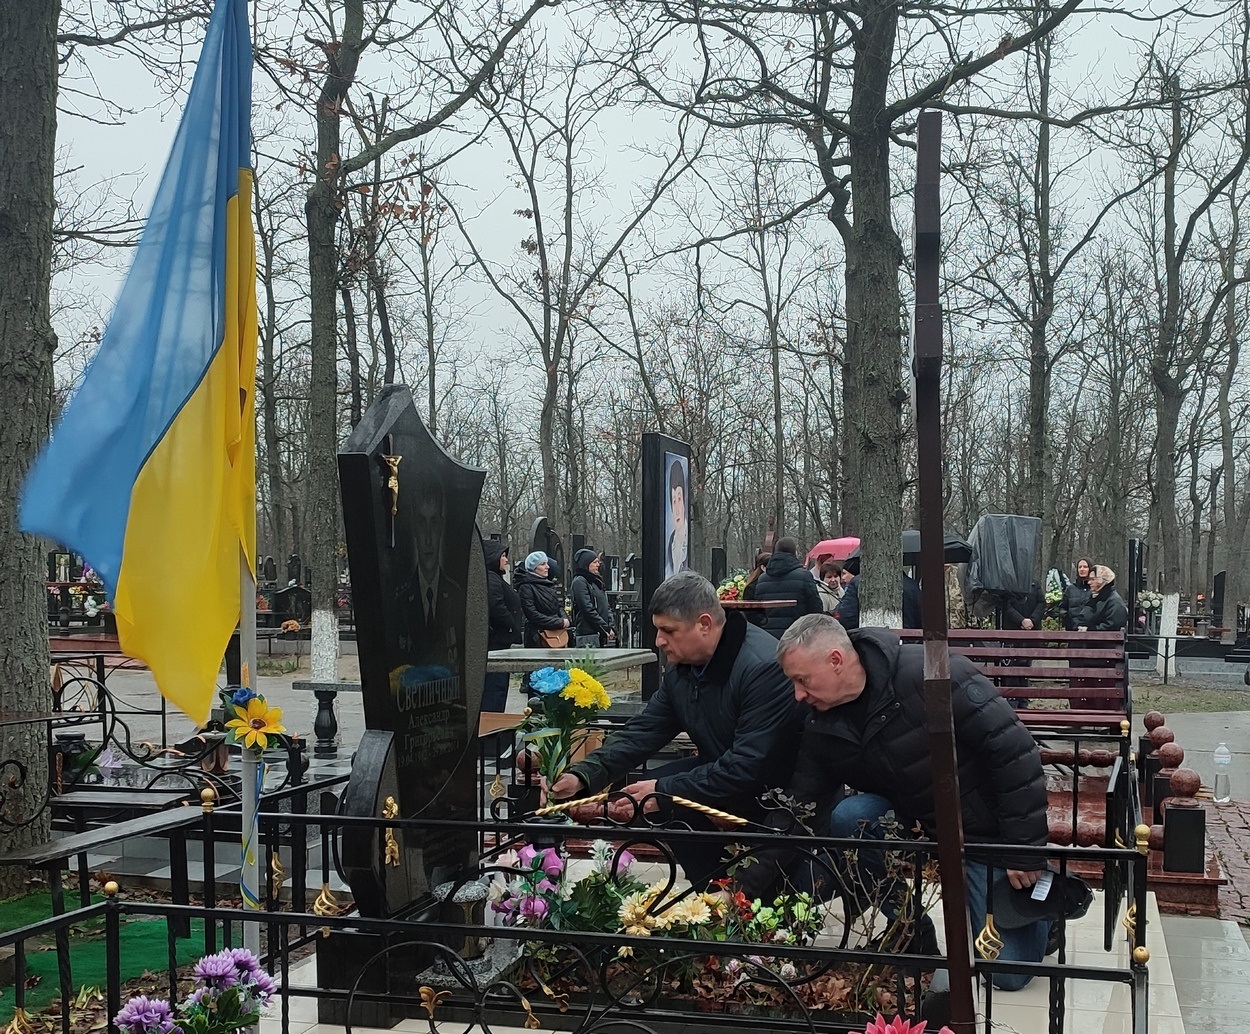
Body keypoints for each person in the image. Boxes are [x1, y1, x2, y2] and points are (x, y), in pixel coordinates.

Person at [743, 614, 1049, 990]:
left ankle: (1046, 914)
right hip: (915, 823)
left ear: (836, 660)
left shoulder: (936, 675)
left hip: (986, 835)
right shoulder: (821, 723)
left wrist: (1024, 849)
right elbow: (797, 808)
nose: (798, 695)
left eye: (802, 680)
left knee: (1008, 974)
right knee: (850, 816)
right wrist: (741, 888)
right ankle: (909, 928)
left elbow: (1016, 754)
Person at [548, 572, 808, 885]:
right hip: (725, 771)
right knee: (649, 793)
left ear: (705, 625)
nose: (658, 641)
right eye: (658, 629)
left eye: (668, 631)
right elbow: (646, 729)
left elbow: (748, 764)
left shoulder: (761, 667)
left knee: (658, 794)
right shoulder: (684, 669)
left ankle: (734, 897)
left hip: (777, 793)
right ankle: (711, 892)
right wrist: (584, 773)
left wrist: (666, 791)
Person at [753, 538, 824, 637]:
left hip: (769, 635)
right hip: (797, 634)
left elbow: (757, 611)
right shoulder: (804, 576)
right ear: (794, 553)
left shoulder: (762, 579)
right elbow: (815, 607)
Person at [483, 541, 523, 711]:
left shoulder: (494, 577)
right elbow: (495, 606)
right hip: (495, 643)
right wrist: (511, 626)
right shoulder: (491, 578)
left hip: (499, 641)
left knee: (498, 688)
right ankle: (491, 730)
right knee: (494, 689)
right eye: (503, 556)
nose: (506, 560)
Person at [833, 569, 922, 630]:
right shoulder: (912, 586)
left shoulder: (859, 582)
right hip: (907, 643)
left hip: (868, 641)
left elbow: (847, 616)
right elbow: (920, 618)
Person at [515, 551, 569, 647]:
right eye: (543, 564)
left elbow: (558, 606)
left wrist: (565, 618)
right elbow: (532, 614)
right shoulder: (526, 587)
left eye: (547, 563)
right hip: (537, 636)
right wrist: (558, 622)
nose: (547, 567)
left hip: (557, 633)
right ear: (534, 568)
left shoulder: (549, 585)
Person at [571, 548, 616, 645]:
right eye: (594, 562)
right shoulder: (580, 581)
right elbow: (587, 609)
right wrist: (604, 627)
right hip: (588, 635)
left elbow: (606, 606)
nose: (598, 565)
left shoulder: (596, 582)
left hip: (601, 633)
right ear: (586, 564)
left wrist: (610, 626)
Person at [666, 460, 690, 578]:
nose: (677, 509)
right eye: (674, 501)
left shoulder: (688, 539)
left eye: (679, 499)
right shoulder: (670, 542)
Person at [1085, 565, 1128, 631]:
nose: (1089, 582)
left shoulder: (1114, 602)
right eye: (1089, 579)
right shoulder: (1096, 598)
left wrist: (1091, 630)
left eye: (1093, 579)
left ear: (1103, 580)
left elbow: (1112, 627)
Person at [1061, 558, 1093, 631]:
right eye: (1080, 567)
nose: (1082, 569)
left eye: (1085, 567)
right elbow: (1062, 608)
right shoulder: (1070, 589)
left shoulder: (1095, 589)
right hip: (1073, 630)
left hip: (1092, 631)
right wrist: (1068, 621)